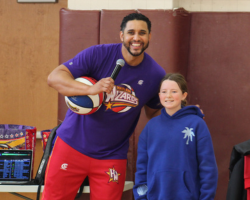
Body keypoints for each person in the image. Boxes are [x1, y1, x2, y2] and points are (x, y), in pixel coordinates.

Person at [44, 13, 166, 200]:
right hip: (71, 146)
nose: (136, 38)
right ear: (121, 35)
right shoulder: (98, 54)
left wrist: (180, 115)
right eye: (131, 32)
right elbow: (54, 78)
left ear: (149, 37)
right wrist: (90, 89)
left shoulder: (156, 74)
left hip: (112, 155)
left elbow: (154, 112)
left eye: (142, 33)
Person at [133, 73, 218, 200]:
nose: (168, 96)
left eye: (174, 91)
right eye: (164, 92)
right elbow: (141, 169)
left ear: (184, 95)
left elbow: (207, 167)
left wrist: (206, 197)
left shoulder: (196, 124)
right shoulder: (150, 128)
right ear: (159, 95)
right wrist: (141, 196)